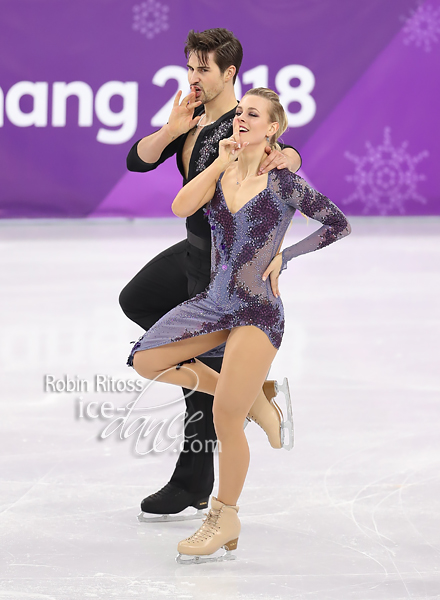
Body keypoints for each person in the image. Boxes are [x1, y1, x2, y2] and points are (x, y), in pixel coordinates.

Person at [127, 87, 351, 562]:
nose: (241, 119)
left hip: (257, 308)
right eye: (240, 113)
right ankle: (255, 398)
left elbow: (336, 223)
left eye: (253, 114)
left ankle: (224, 515)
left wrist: (285, 257)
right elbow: (181, 207)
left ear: (272, 128)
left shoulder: (283, 181)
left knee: (224, 417)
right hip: (214, 303)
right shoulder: (223, 170)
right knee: (146, 359)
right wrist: (216, 163)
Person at [119, 28, 302, 521]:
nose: (195, 78)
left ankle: (195, 483)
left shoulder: (244, 124)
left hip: (226, 266)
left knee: (200, 369)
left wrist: (290, 157)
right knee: (136, 299)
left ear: (230, 74)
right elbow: (138, 161)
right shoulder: (192, 116)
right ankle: (243, 393)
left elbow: (283, 160)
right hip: (193, 251)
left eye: (205, 69)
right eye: (190, 67)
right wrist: (171, 128)